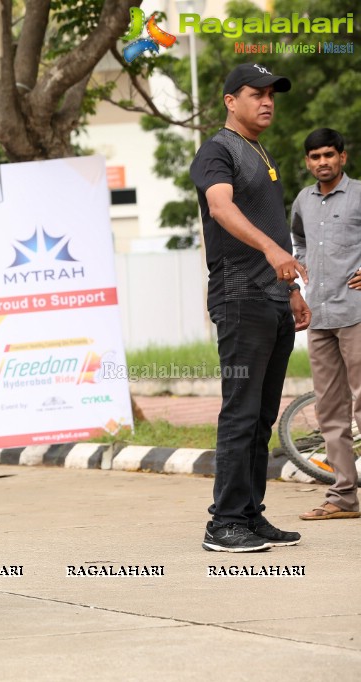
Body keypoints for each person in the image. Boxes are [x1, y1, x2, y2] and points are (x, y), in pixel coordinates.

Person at [190, 63, 311, 552]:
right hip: (239, 297)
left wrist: (292, 291)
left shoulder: (262, 152)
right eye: (255, 93)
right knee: (240, 412)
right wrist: (272, 250)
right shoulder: (217, 151)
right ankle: (222, 523)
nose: (266, 101)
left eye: (271, 95)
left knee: (261, 416)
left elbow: (274, 226)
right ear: (229, 100)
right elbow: (221, 207)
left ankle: (249, 513)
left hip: (272, 300)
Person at [290, 128, 361, 521]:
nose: (322, 162)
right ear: (308, 161)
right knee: (331, 410)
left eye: (328, 155)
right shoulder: (303, 199)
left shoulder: (358, 194)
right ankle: (344, 498)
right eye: (315, 156)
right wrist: (303, 273)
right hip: (319, 317)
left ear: (342, 158)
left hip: (356, 312)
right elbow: (297, 239)